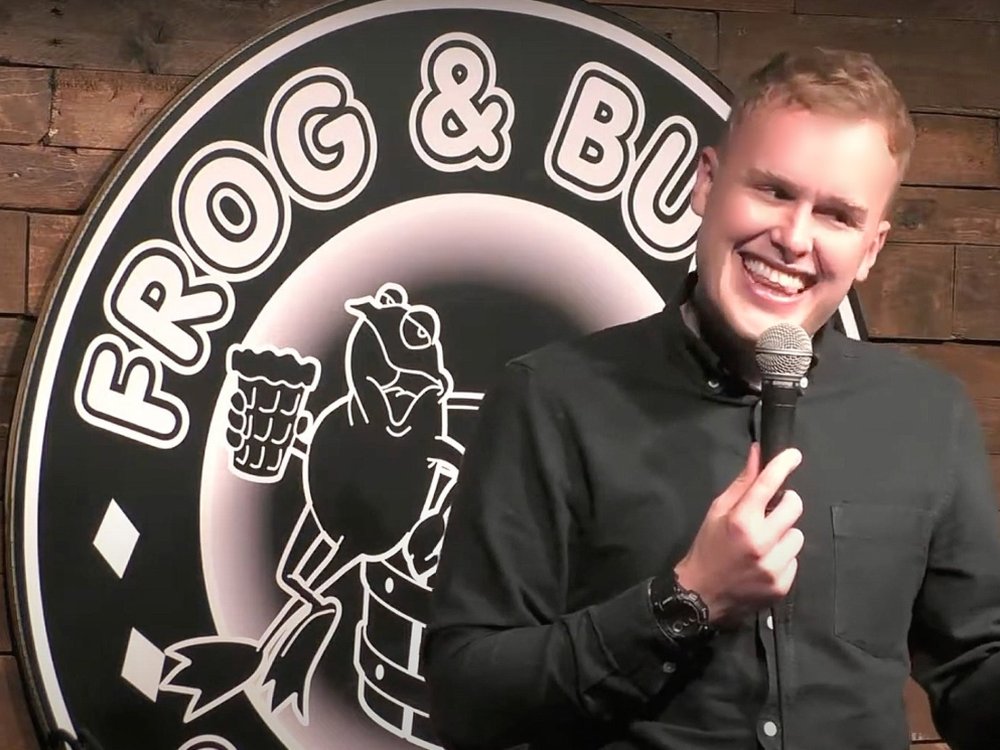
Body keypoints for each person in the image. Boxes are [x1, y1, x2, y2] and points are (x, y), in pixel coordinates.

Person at [424, 48, 1000, 750]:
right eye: (773, 191)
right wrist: (687, 599)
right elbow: (466, 699)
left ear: (871, 248)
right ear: (706, 182)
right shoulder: (551, 399)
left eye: (838, 216)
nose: (793, 238)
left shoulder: (925, 414)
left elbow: (976, 667)